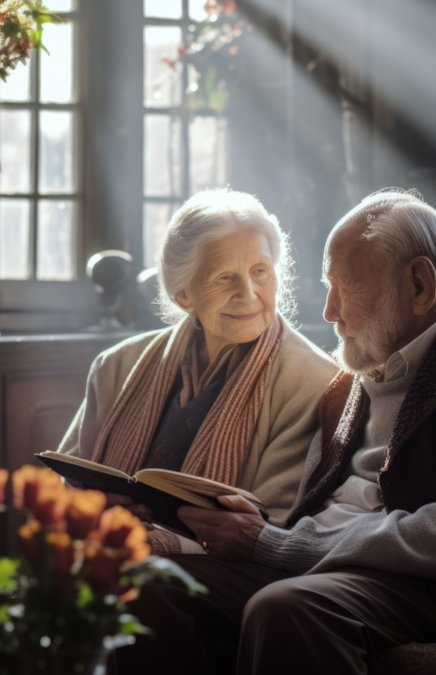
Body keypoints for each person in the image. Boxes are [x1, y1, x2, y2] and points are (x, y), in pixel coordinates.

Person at [119, 187, 436, 675]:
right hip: (359, 566)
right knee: (152, 581)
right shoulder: (356, 377)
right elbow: (323, 512)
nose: (329, 310)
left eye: (344, 286)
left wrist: (279, 546)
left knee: (289, 607)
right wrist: (263, 526)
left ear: (418, 285)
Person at [56, 188, 338, 553]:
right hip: (105, 551)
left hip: (222, 573)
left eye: (260, 271)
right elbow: (65, 484)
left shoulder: (315, 382)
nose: (248, 292)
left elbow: (271, 524)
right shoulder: (116, 366)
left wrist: (155, 544)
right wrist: (92, 509)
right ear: (183, 294)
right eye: (224, 277)